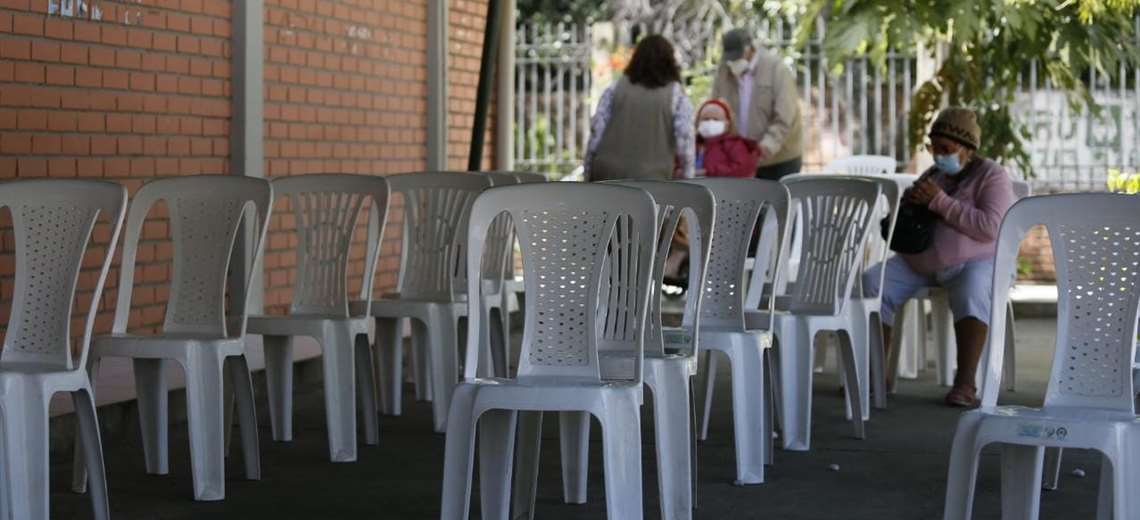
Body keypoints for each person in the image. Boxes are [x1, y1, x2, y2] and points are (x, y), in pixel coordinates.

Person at [862, 107, 1015, 407]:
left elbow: (992, 227)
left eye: (946, 149)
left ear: (967, 149)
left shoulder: (992, 176)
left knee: (972, 290)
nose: (938, 156)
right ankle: (876, 374)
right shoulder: (935, 174)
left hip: (975, 261)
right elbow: (914, 215)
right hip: (922, 261)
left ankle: (965, 383)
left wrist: (939, 202)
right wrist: (911, 205)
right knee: (872, 283)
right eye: (934, 148)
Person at [584, 35, 694, 182]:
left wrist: (588, 172)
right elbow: (685, 140)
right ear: (670, 61)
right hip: (652, 180)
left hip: (607, 176)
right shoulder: (676, 95)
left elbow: (596, 133)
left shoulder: (615, 88)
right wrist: (688, 177)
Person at [711, 29, 803, 180]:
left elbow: (786, 115)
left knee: (779, 202)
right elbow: (715, 107)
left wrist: (765, 147)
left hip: (779, 160)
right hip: (740, 161)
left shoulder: (776, 69)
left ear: (750, 48)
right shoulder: (724, 71)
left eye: (737, 56)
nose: (733, 62)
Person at [695, 98, 761, 178]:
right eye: (706, 119)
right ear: (698, 121)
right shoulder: (691, 144)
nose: (710, 122)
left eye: (716, 119)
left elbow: (742, 169)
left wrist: (708, 172)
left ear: (727, 122)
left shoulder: (735, 144)